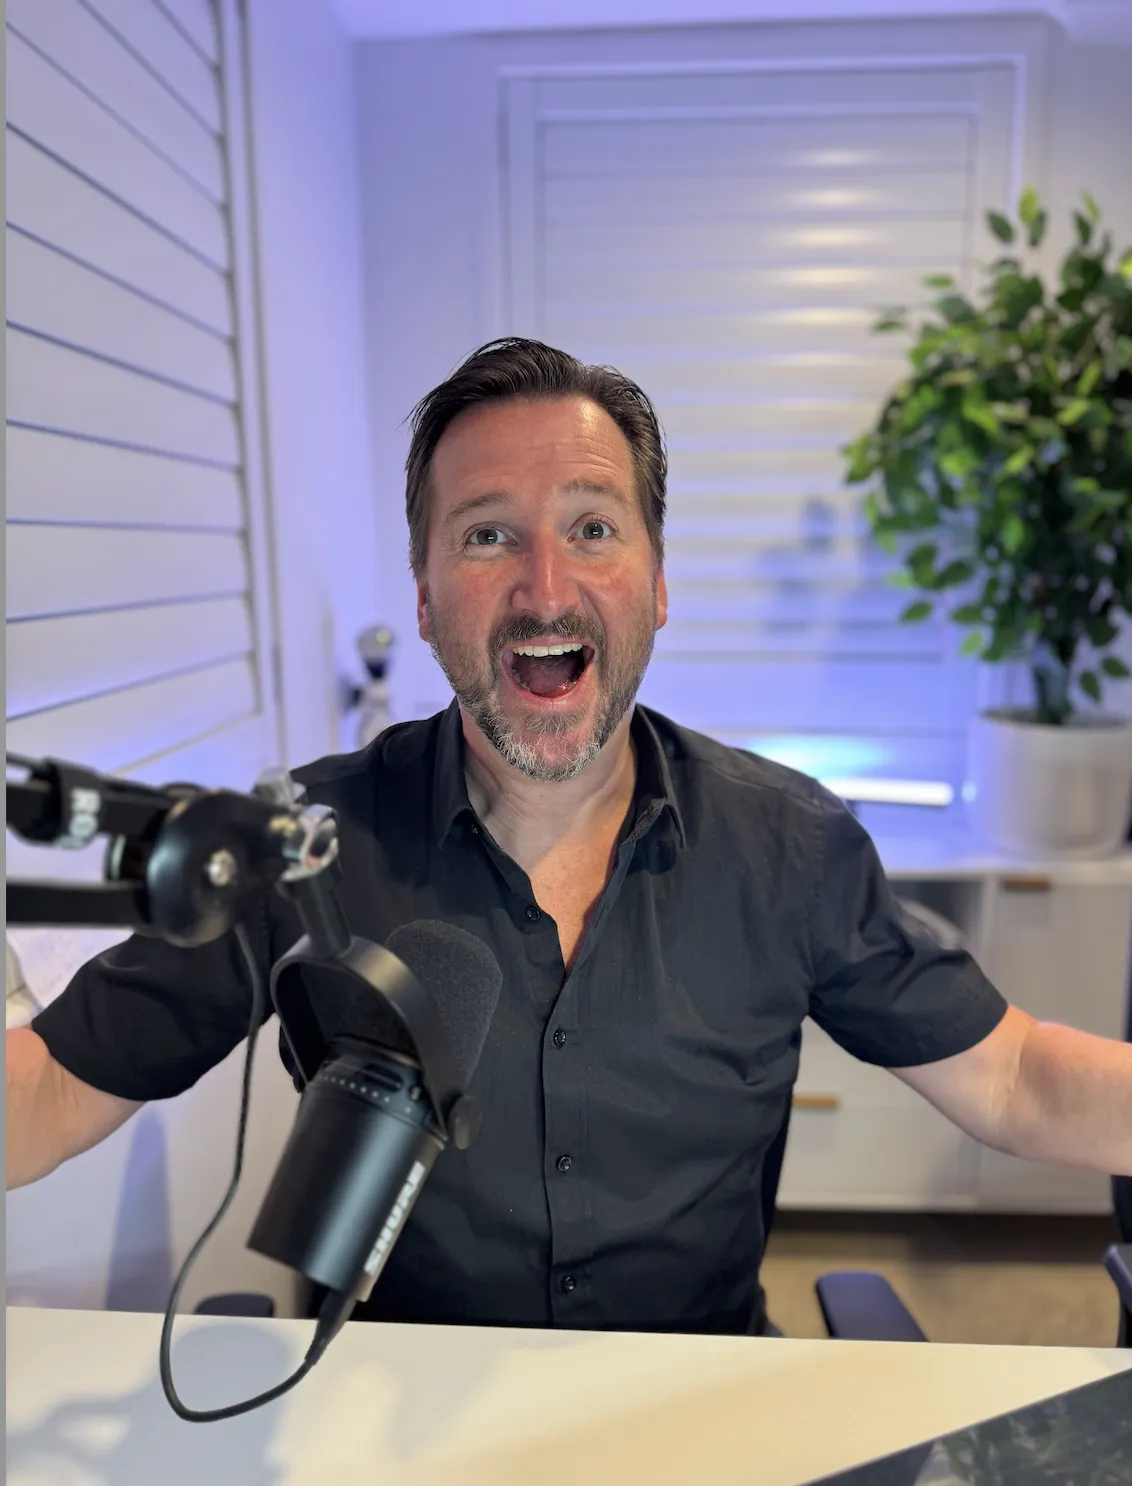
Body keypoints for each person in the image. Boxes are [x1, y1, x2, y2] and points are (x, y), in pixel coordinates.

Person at [8, 339, 1132, 1337]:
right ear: (425, 599)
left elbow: (1014, 1077)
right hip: (404, 1420)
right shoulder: (303, 845)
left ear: (656, 584)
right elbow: (51, 1088)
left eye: (592, 528)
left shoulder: (791, 845)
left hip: (698, 1409)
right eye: (487, 534)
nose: (544, 590)